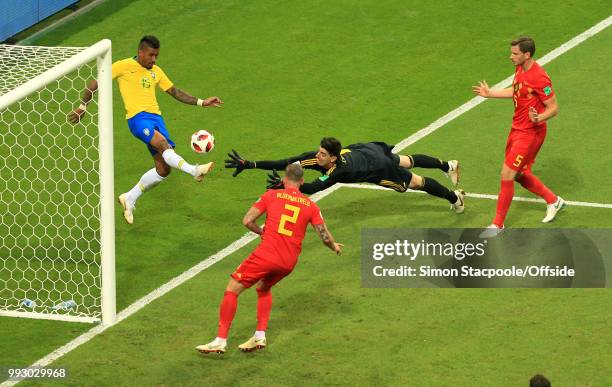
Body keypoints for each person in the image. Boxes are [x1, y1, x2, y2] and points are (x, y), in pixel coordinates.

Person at [69, 35, 223, 224]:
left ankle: (129, 198)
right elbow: (95, 82)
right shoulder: (123, 66)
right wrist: (83, 106)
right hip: (138, 119)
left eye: (156, 56)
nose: (154, 60)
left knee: (163, 169)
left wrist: (201, 102)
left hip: (156, 119)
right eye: (151, 55)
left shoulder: (156, 71)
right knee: (164, 145)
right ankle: (194, 170)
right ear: (140, 52)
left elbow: (175, 92)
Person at [196, 164, 343, 354]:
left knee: (232, 288)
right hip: (288, 262)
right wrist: (335, 246)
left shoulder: (271, 195)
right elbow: (324, 235)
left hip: (267, 254)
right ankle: (259, 336)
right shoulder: (311, 206)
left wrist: (262, 231)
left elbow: (247, 220)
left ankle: (220, 340)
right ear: (302, 181)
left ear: (284, 179)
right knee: (264, 287)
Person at [473, 36, 563, 238]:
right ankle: (553, 200)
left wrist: (538, 117)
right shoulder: (520, 69)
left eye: (515, 53)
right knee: (519, 174)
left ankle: (497, 224)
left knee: (507, 174)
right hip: (517, 130)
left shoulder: (539, 77)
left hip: (531, 133)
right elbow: (516, 92)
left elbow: (554, 107)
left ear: (527, 54)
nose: (510, 57)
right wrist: (490, 93)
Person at [225, 137, 465, 213]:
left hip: (377, 168)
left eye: (321, 155)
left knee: (415, 182)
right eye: (318, 152)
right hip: (367, 150)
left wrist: (284, 186)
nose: (316, 156)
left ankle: (455, 199)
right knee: (407, 159)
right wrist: (250, 164)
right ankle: (447, 166)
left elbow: (313, 188)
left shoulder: (339, 172)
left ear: (332, 158)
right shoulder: (321, 157)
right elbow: (284, 162)